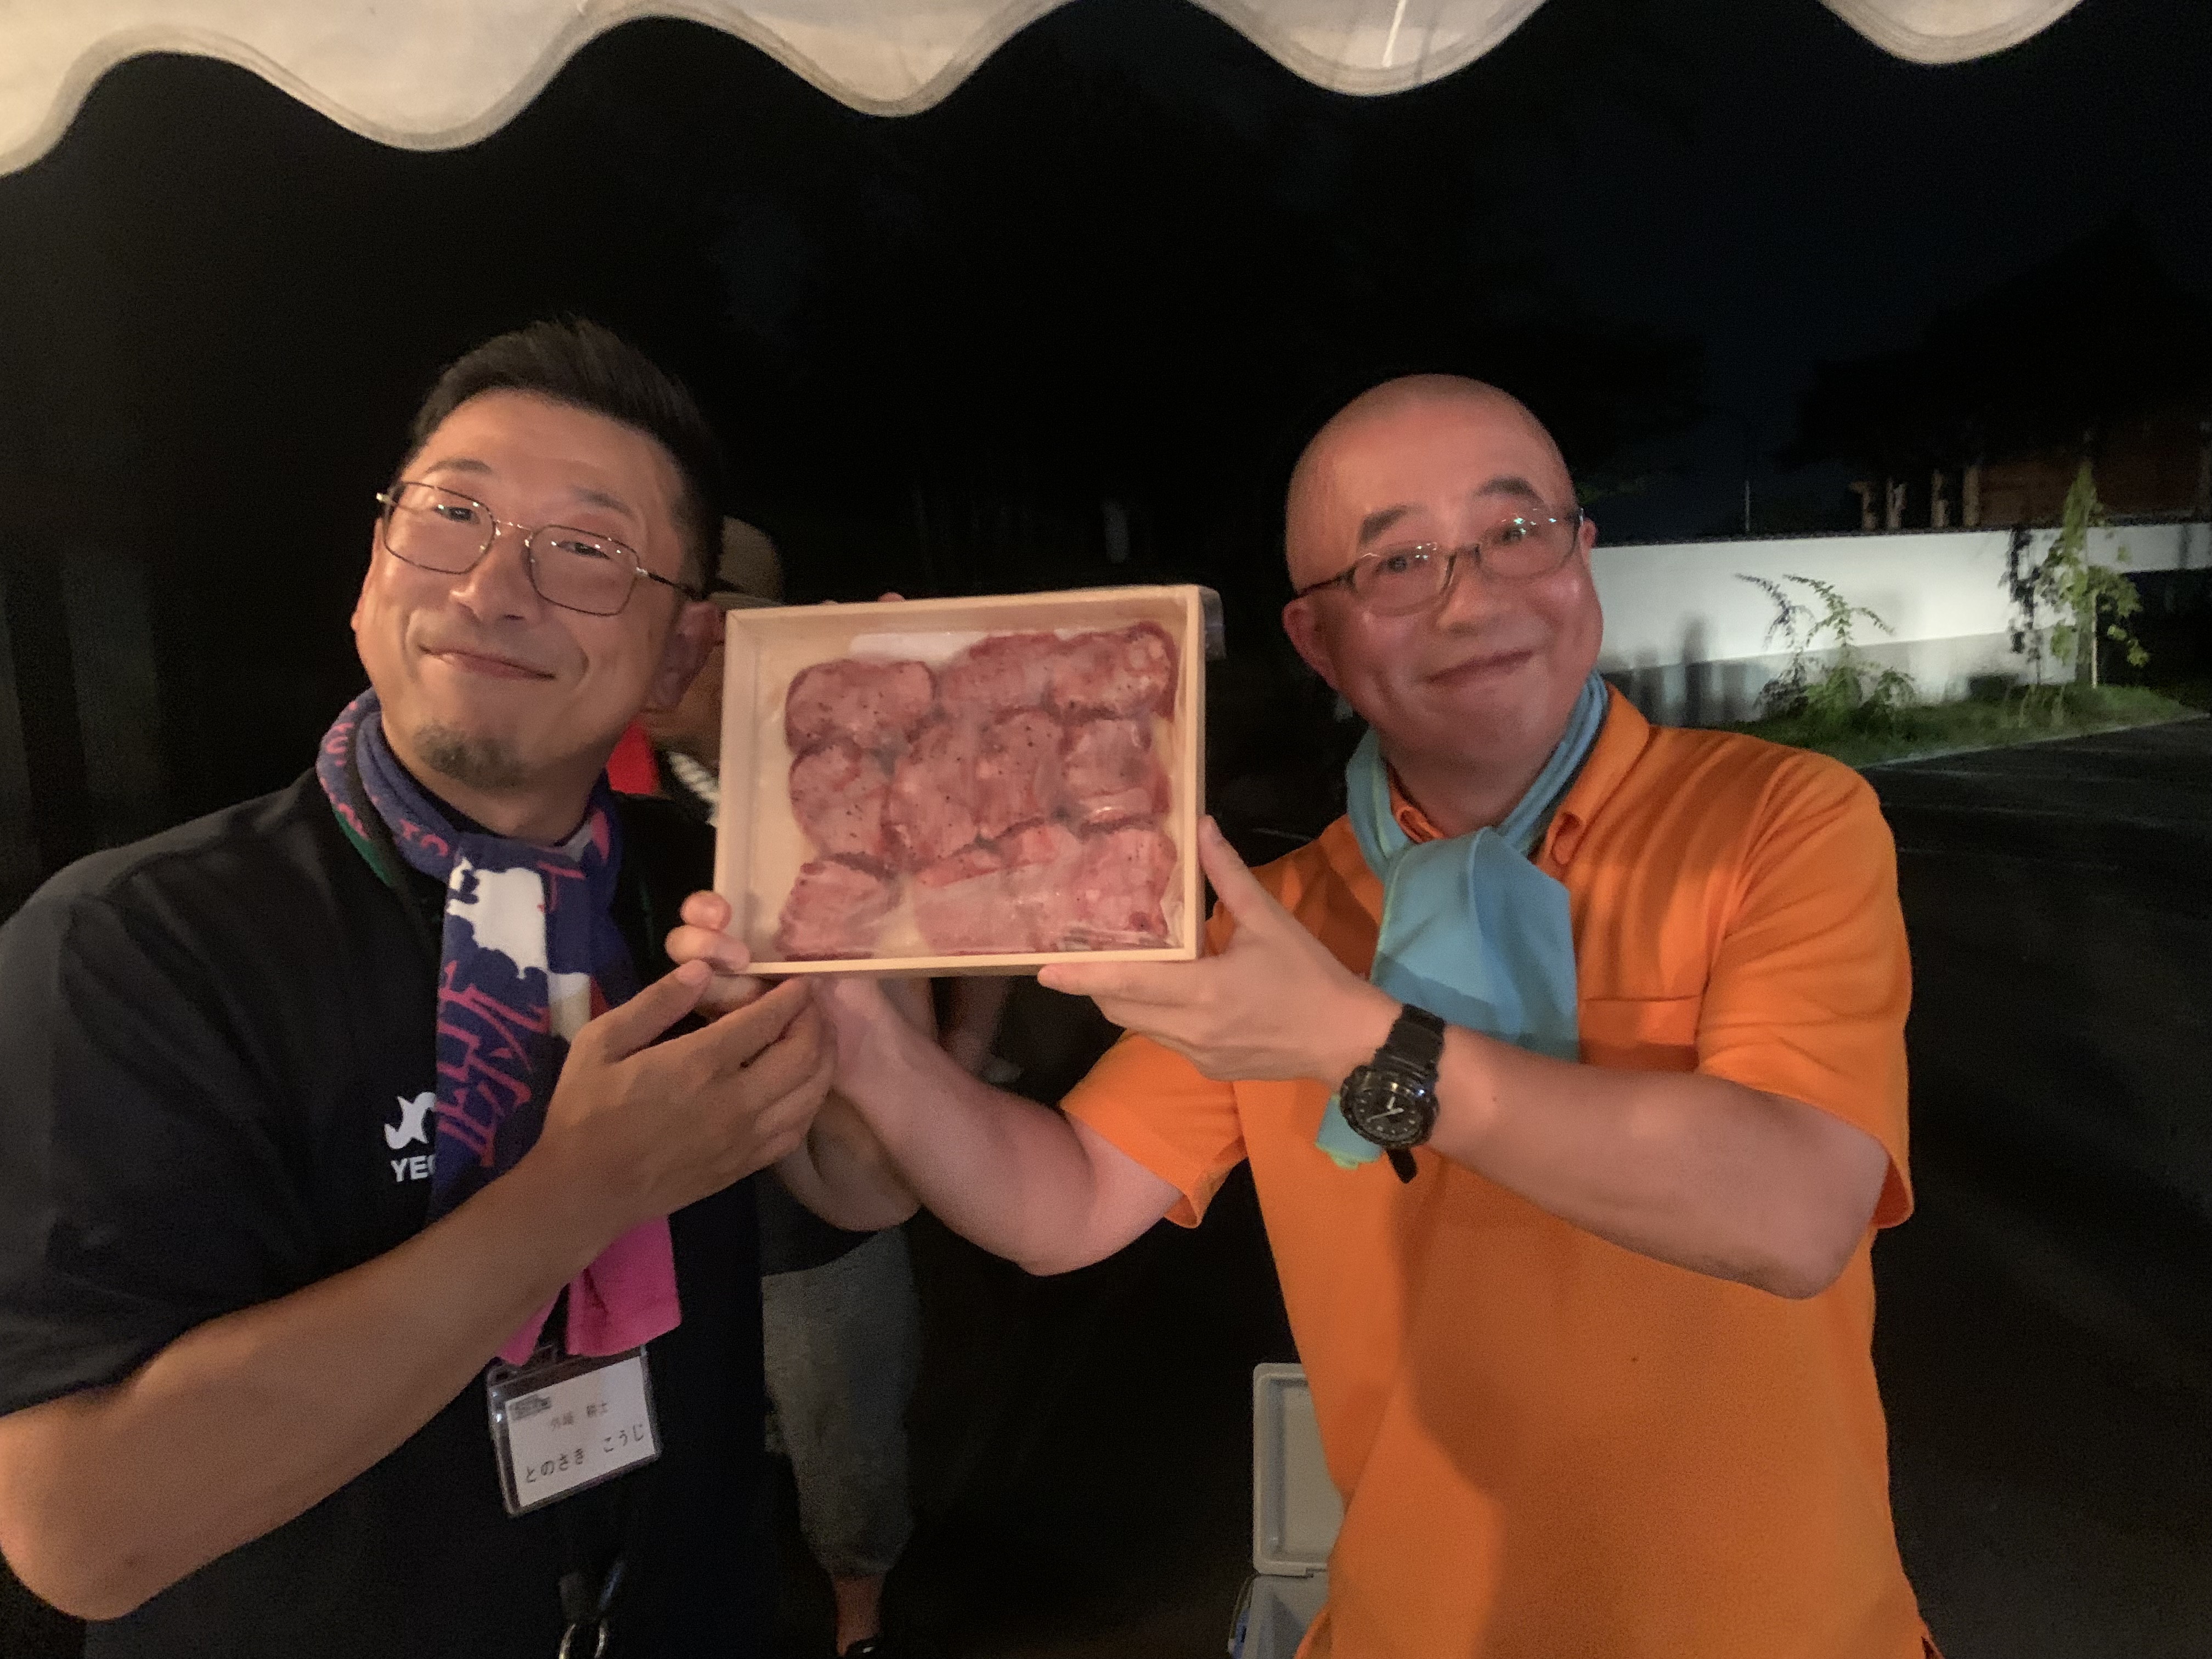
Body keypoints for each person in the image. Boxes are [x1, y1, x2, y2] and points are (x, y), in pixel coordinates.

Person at [673, 375, 1939, 1658]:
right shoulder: (1274, 916)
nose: (1472, 598)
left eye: (1516, 531)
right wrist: (862, 1036)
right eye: (1398, 561)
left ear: (1582, 554)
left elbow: (1796, 1213)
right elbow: (1064, 1204)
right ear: (1317, 641)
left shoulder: (1783, 821)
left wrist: (1357, 1042)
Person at [0, 319, 913, 1658]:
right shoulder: (137, 949)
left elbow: (867, 1179)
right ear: (375, 571)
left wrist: (881, 822)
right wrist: (581, 1192)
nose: (492, 587)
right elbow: (83, 1535)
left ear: (680, 654)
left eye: (587, 549)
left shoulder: (704, 897)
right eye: (451, 516)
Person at [630, 524, 1006, 1658]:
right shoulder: (593, 794)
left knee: (843, 1419)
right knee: (684, 1436)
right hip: (651, 1208)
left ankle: (859, 1620)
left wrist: (959, 1060)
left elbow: (982, 917)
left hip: (820, 1207)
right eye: (650, 613)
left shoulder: (864, 771)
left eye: (706, 620)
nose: (672, 646)